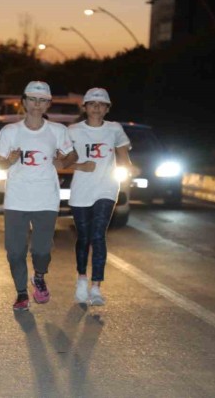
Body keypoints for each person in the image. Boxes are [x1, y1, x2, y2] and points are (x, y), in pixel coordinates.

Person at [0, 80, 77, 311]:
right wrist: (8, 161)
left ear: (48, 104)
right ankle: (21, 293)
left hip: (46, 197)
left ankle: (39, 275)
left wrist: (62, 161)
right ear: (24, 102)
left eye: (42, 100)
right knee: (15, 251)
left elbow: (72, 155)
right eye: (33, 100)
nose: (37, 105)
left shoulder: (58, 130)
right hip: (17, 198)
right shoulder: (10, 131)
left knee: (41, 250)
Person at [68, 87, 131, 306]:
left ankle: (96, 287)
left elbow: (124, 157)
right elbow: (62, 160)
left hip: (107, 187)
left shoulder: (114, 129)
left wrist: (130, 172)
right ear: (84, 107)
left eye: (101, 104)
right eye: (92, 103)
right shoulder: (73, 130)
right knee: (83, 237)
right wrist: (81, 166)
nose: (96, 107)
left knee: (98, 235)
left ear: (107, 109)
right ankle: (81, 280)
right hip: (81, 189)